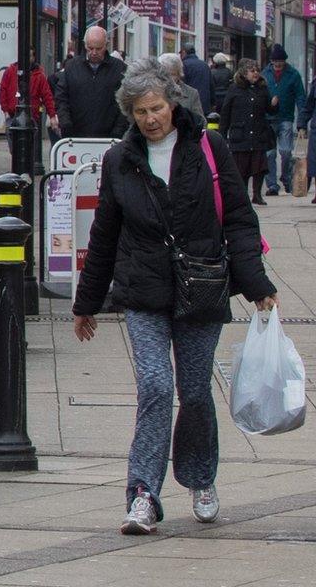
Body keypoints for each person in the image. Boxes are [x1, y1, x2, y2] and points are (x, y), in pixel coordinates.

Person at [73, 59, 276, 536]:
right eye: (141, 111)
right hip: (144, 291)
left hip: (201, 286)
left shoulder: (209, 148)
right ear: (130, 113)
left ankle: (201, 479)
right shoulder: (120, 159)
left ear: (173, 103)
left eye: (157, 107)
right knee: (156, 389)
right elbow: (105, 233)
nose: (151, 118)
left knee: (196, 392)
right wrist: (87, 302)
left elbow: (239, 220)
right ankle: (142, 495)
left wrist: (258, 286)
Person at [57, 26, 126, 140]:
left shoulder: (119, 68)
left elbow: (125, 102)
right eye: (90, 48)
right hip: (75, 136)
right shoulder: (71, 66)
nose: (94, 52)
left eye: (98, 48)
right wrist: (66, 125)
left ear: (106, 45)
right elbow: (61, 97)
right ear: (85, 45)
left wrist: (118, 131)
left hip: (110, 137)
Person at [221, 59, 273, 208]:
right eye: (252, 70)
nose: (256, 73)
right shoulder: (234, 89)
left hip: (258, 134)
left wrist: (275, 104)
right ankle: (242, 195)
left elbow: (269, 110)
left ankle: (257, 194)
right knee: (241, 168)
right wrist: (222, 134)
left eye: (257, 70)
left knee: (259, 167)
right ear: (244, 73)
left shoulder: (262, 89)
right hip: (240, 135)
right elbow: (226, 112)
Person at [261, 43, 305, 197]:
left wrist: (302, 121)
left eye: (280, 61)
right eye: (275, 61)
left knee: (286, 151)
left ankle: (286, 177)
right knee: (269, 154)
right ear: (271, 61)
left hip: (286, 117)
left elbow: (301, 97)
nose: (278, 64)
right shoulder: (264, 74)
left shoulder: (293, 74)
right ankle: (272, 185)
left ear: (285, 61)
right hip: (268, 118)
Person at [0, 60, 57, 139]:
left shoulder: (39, 75)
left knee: (30, 146)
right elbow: (3, 91)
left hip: (31, 117)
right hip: (13, 115)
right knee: (14, 145)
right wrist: (6, 111)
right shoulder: (10, 71)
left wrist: (52, 116)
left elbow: (47, 96)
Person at [180, 46, 213, 117]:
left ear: (184, 52)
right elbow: (211, 85)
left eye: (180, 53)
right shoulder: (204, 65)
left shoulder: (184, 65)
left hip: (190, 103)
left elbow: (182, 84)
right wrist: (213, 102)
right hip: (205, 103)